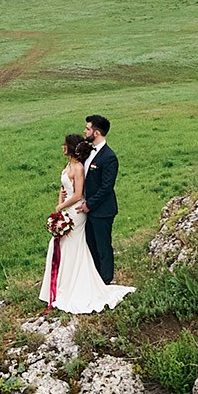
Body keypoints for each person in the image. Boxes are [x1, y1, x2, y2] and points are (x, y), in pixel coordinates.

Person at [41, 126, 133, 314]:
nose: (62, 147)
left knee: (82, 245)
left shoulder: (85, 165)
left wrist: (62, 207)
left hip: (79, 210)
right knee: (64, 245)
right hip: (70, 209)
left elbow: (80, 192)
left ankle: (92, 282)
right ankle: (60, 286)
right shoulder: (69, 166)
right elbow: (63, 188)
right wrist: (60, 205)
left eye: (64, 144)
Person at [78, 114, 119, 285]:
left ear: (96, 133)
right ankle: (95, 279)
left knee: (103, 246)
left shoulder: (109, 157)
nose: (84, 131)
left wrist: (89, 204)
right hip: (88, 209)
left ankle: (106, 280)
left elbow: (106, 187)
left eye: (87, 128)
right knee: (91, 244)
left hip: (102, 210)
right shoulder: (88, 152)